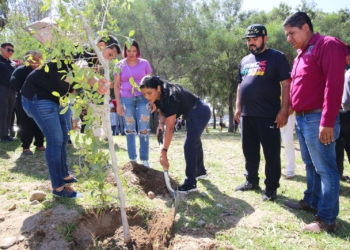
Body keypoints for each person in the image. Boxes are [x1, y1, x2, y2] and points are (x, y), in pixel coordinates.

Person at [21, 35, 121, 198]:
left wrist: (94, 82)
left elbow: (75, 81)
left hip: (56, 101)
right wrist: (96, 82)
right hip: (38, 96)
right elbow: (79, 68)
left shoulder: (89, 61)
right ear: (101, 45)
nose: (109, 60)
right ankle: (58, 188)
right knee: (55, 139)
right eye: (109, 55)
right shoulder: (80, 51)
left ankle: (64, 175)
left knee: (62, 138)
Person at [283, 12, 347, 233]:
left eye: (292, 33)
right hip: (302, 118)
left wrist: (327, 121)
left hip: (319, 118)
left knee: (326, 169)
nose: (288, 38)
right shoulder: (301, 54)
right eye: (286, 34)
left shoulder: (327, 44)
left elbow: (334, 84)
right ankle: (311, 201)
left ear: (306, 28)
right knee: (310, 164)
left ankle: (327, 219)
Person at [234, 24, 291, 202]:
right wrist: (238, 107)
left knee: (271, 152)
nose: (251, 43)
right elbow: (239, 85)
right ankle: (251, 181)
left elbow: (286, 84)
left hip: (268, 114)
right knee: (249, 150)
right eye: (249, 40)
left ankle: (271, 187)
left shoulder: (277, 57)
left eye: (255, 39)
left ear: (265, 38)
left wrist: (284, 109)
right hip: (247, 114)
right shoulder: (244, 60)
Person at [140, 75, 211, 193]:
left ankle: (190, 183)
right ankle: (200, 171)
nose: (147, 97)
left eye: (149, 93)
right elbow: (163, 112)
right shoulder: (159, 95)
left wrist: (164, 151)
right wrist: (160, 125)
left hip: (200, 112)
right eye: (144, 94)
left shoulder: (171, 96)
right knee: (194, 141)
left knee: (189, 144)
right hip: (190, 114)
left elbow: (170, 127)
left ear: (157, 88)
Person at [113, 40, 152, 167]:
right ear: (125, 51)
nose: (132, 53)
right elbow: (117, 85)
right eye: (129, 50)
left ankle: (145, 159)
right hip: (126, 99)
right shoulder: (119, 65)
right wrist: (118, 104)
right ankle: (133, 160)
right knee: (129, 129)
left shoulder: (144, 63)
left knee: (144, 129)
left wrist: (152, 100)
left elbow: (150, 85)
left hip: (143, 99)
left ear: (138, 51)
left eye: (134, 50)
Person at [10, 50, 45, 155]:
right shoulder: (21, 70)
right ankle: (26, 147)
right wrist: (24, 91)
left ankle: (40, 144)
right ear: (28, 59)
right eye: (34, 59)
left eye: (39, 59)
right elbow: (13, 81)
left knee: (39, 122)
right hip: (24, 101)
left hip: (39, 100)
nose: (37, 62)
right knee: (26, 123)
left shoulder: (42, 70)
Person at [336, 44, 350, 182]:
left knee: (338, 146)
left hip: (345, 114)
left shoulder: (346, 73)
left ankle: (338, 173)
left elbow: (345, 101)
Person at [0, 42, 17, 143]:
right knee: (3, 112)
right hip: (1, 89)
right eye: (8, 49)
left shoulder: (13, 64)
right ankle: (2, 136)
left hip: (12, 91)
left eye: (12, 50)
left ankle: (8, 134)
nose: (10, 52)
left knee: (10, 113)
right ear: (1, 49)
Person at [281, 111, 296, 179]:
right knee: (271, 142)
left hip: (287, 112)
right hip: (271, 110)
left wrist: (291, 107)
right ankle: (274, 167)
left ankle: (290, 169)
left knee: (287, 141)